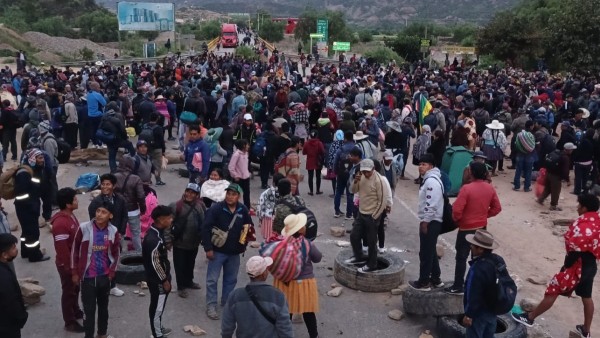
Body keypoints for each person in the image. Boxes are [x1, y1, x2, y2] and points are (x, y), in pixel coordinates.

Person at [513, 194, 600, 338]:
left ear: (585, 208)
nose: (577, 208)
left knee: (553, 289)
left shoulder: (583, 226)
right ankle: (586, 330)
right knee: (586, 295)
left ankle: (530, 318)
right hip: (591, 264)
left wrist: (566, 267)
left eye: (579, 205)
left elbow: (575, 248)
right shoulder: (597, 222)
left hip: (576, 265)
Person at [444, 162, 502, 295]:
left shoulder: (466, 189)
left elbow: (457, 210)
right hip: (482, 228)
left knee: (461, 258)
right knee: (479, 259)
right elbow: (497, 208)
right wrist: (484, 215)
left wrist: (458, 220)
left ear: (471, 172)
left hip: (466, 228)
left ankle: (458, 285)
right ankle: (476, 285)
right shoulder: (489, 188)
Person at [201, 183, 254, 320]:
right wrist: (208, 248)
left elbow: (249, 227)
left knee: (231, 280)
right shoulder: (216, 209)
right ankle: (211, 305)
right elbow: (205, 228)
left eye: (233, 194)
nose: (230, 197)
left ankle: (227, 303)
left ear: (239, 196)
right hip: (217, 252)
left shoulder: (243, 210)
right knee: (212, 280)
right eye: (228, 193)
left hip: (234, 253)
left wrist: (246, 239)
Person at [72, 200, 121, 338]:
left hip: (104, 277)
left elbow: (116, 253)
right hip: (87, 278)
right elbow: (74, 251)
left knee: (103, 309)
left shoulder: (113, 231)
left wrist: (111, 272)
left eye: (104, 212)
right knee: (89, 310)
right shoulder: (84, 228)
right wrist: (75, 272)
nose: (99, 215)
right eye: (98, 211)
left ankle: (102, 334)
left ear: (110, 216)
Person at [274, 214, 322, 338]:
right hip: (304, 282)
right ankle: (314, 335)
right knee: (308, 311)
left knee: (287, 312)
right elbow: (317, 258)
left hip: (285, 282)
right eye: (303, 225)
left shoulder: (281, 242)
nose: (305, 227)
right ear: (300, 230)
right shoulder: (306, 243)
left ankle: (285, 335)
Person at [221, 256, 293, 338]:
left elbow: (227, 327)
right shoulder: (278, 296)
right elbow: (284, 327)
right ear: (263, 274)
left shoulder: (235, 296)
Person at [345, 159, 391, 273]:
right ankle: (359, 257)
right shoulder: (360, 176)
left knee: (371, 242)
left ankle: (372, 264)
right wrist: (355, 181)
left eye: (368, 172)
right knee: (354, 236)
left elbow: (382, 201)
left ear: (373, 169)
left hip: (372, 215)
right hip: (361, 213)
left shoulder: (379, 181)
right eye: (364, 171)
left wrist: (374, 216)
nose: (365, 173)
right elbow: (353, 190)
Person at [88, 173, 128, 297]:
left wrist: (120, 232)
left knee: (114, 260)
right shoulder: (96, 202)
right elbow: (93, 220)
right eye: (103, 184)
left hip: (116, 236)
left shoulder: (120, 199)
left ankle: (113, 285)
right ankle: (100, 284)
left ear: (114, 186)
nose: (105, 187)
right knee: (101, 260)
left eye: (108, 184)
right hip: (101, 237)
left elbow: (124, 216)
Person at [409, 153, 445, 291]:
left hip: (431, 221)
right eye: (420, 164)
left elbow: (432, 203)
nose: (420, 167)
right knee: (430, 251)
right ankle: (436, 279)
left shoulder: (431, 181)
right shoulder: (430, 179)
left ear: (431, 166)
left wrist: (425, 221)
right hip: (432, 220)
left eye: (424, 164)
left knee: (425, 253)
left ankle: (424, 282)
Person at [51, 188, 85, 333]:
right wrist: (71, 270)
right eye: (75, 199)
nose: (77, 201)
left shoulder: (70, 216)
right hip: (68, 265)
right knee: (69, 291)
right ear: (68, 203)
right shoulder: (60, 224)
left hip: (75, 262)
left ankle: (75, 310)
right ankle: (69, 321)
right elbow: (62, 250)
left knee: (75, 289)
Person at [462, 229, 506, 337]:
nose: (471, 246)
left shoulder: (477, 268)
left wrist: (469, 315)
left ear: (480, 249)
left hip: (478, 313)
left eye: (473, 244)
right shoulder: (498, 260)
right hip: (493, 310)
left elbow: (473, 293)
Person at [167, 183, 205, 298]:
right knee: (180, 265)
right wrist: (168, 240)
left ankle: (189, 281)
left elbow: (204, 222)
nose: (189, 194)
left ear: (197, 195)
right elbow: (167, 224)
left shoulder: (200, 206)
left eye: (192, 193)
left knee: (190, 263)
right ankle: (181, 286)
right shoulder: (176, 206)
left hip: (194, 242)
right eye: (187, 191)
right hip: (180, 243)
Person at [142, 205, 174, 338]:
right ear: (161, 220)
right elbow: (155, 264)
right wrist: (164, 280)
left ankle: (158, 329)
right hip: (158, 281)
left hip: (158, 279)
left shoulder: (156, 233)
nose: (171, 220)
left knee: (157, 307)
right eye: (169, 218)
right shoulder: (153, 240)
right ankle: (157, 334)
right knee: (157, 309)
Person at [14, 148, 50, 262]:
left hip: (29, 207)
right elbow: (20, 194)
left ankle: (25, 252)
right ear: (32, 159)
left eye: (42, 157)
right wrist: (31, 205)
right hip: (26, 208)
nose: (42, 160)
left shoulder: (35, 170)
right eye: (39, 158)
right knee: (33, 233)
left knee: (26, 231)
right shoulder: (24, 173)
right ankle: (35, 255)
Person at [114, 156, 147, 252]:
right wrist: (143, 208)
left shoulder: (114, 177)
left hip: (118, 210)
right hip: (133, 210)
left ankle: (120, 253)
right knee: (136, 233)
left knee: (120, 233)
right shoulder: (136, 178)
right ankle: (139, 253)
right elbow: (141, 196)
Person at [0, 233, 28, 338]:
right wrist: (22, 317)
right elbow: (11, 301)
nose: (16, 250)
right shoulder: (4, 277)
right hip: (7, 326)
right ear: (4, 254)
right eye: (13, 247)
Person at [536, 142, 576, 211]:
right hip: (556, 177)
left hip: (548, 173)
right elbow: (565, 171)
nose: (572, 151)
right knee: (555, 191)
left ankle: (540, 199)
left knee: (547, 188)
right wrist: (567, 180)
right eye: (572, 149)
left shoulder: (557, 152)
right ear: (569, 150)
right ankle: (553, 205)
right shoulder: (565, 158)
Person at [333, 130, 357, 217]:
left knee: (338, 191)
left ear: (345, 139)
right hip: (352, 174)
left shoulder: (341, 149)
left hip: (341, 173)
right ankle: (349, 214)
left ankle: (337, 211)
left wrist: (335, 171)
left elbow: (335, 162)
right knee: (350, 193)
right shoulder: (356, 148)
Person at [257, 173, 285, 240]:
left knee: (268, 239)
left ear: (273, 182)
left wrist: (260, 218)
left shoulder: (265, 193)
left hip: (267, 219)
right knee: (279, 238)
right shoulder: (283, 193)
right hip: (279, 219)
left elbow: (260, 205)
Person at [228, 139, 252, 209]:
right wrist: (235, 175)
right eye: (247, 145)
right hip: (238, 178)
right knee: (235, 193)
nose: (248, 146)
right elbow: (231, 166)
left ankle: (247, 208)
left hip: (246, 177)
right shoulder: (236, 154)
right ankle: (233, 206)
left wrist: (249, 173)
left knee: (247, 194)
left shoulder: (246, 154)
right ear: (243, 146)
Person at [144, 112, 166, 186]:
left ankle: (148, 179)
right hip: (157, 149)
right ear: (157, 119)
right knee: (157, 166)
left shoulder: (145, 126)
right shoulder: (158, 128)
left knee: (147, 164)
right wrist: (163, 150)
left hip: (146, 148)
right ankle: (158, 180)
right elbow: (161, 140)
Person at [303, 129, 325, 195]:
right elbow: (323, 152)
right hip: (317, 161)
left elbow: (304, 152)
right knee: (318, 176)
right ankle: (318, 190)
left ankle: (311, 191)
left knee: (310, 176)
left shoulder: (307, 143)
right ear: (317, 135)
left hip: (310, 161)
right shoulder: (319, 143)